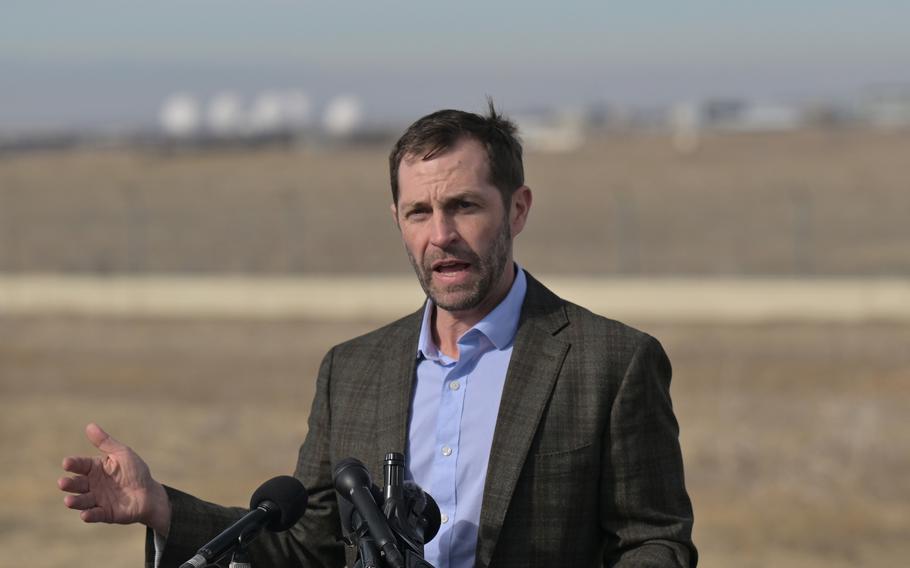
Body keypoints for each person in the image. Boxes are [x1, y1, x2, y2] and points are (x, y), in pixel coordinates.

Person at [59, 103, 697, 567]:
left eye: (465, 207)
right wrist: (161, 507)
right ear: (397, 219)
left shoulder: (610, 362)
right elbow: (306, 544)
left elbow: (655, 544)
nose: (440, 234)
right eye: (420, 211)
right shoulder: (351, 370)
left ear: (518, 208)